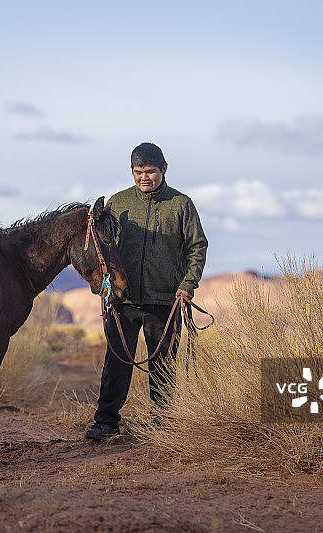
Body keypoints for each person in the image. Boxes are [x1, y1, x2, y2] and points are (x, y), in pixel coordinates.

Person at [85, 142, 208, 441]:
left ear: (163, 169)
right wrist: (104, 285)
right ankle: (106, 422)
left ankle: (163, 423)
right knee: (116, 363)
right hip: (122, 301)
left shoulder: (181, 205)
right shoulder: (118, 202)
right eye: (138, 172)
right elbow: (103, 247)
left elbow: (197, 247)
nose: (144, 178)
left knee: (163, 364)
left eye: (150, 172)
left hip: (165, 300)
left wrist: (187, 285)